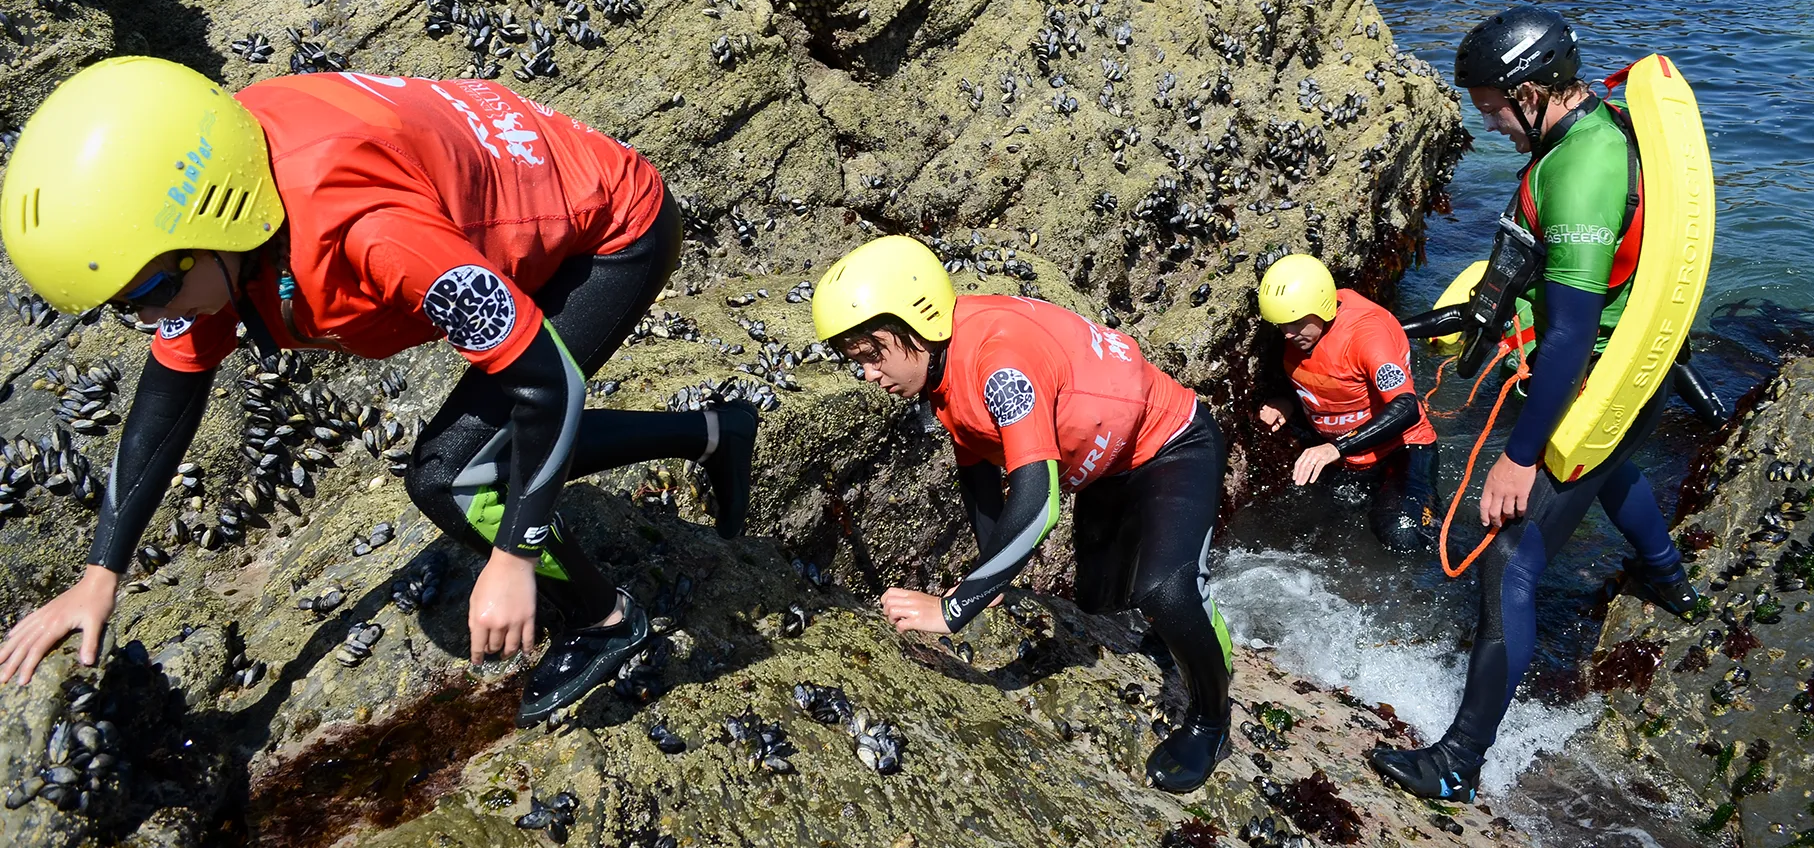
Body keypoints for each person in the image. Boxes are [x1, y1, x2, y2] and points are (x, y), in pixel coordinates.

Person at [0, 58, 759, 727]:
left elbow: (547, 382)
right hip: (516, 195)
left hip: (609, 233)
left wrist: (516, 557)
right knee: (495, 449)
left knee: (451, 477)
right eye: (126, 305)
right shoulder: (214, 192)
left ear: (218, 221)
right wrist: (100, 573)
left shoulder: (367, 229)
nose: (151, 316)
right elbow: (168, 396)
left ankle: (606, 619)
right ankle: (717, 432)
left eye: (157, 289)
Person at [1370, 8, 1702, 800]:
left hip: (1592, 381)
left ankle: (1459, 763)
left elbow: (1568, 337)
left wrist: (1520, 461)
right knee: (1614, 476)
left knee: (1510, 565)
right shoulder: (1592, 128)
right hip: (1634, 376)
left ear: (1529, 91)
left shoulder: (1580, 170)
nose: (1488, 124)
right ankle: (1668, 578)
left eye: (1490, 107)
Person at [811, 236, 1234, 793]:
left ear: (920, 322)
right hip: (1108, 468)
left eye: (873, 355)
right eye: (854, 362)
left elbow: (1037, 505)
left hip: (1174, 443)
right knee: (1098, 601)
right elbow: (981, 472)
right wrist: (993, 578)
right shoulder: (940, 368)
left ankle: (1212, 718)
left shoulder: (999, 364)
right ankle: (1173, 631)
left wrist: (957, 606)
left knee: (1165, 591)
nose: (867, 375)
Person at [1253, 254, 1438, 553]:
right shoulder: (1299, 333)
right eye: (1281, 324)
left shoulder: (1366, 336)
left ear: (1323, 308)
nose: (1288, 333)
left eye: (1296, 323)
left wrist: (1335, 448)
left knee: (1403, 536)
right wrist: (1287, 401)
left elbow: (1406, 407)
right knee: (1302, 535)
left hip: (1399, 450)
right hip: (1343, 456)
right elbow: (1327, 378)